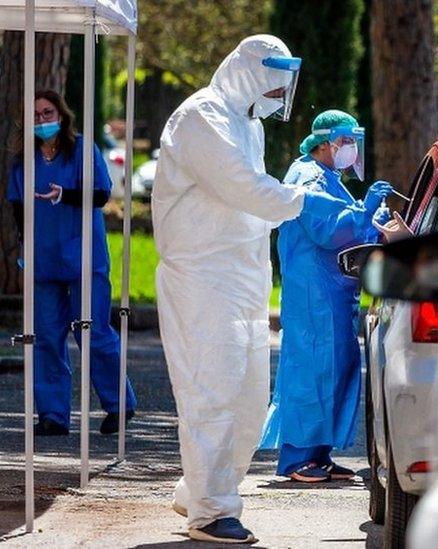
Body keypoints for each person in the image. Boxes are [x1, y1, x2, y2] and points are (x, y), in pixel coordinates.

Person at [152, 35, 349, 544]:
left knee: (246, 396)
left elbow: (247, 200)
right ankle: (211, 511)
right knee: (211, 389)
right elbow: (241, 185)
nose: (279, 96)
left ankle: (198, 489)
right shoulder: (202, 117)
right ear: (251, 73)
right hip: (202, 276)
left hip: (241, 276)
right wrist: (303, 201)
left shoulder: (247, 123)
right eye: (274, 84)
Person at [259, 110, 393, 482]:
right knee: (311, 370)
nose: (351, 149)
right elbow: (327, 229)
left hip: (333, 291)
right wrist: (365, 212)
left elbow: (348, 222)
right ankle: (297, 457)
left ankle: (319, 454)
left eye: (353, 141)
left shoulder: (330, 176)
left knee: (335, 369)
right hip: (312, 293)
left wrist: (371, 218)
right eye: (346, 141)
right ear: (325, 142)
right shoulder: (307, 177)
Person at [6, 90, 137, 437]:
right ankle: (52, 414)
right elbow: (19, 208)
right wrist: (24, 248)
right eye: (35, 115)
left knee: (91, 330)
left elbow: (100, 194)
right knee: (46, 336)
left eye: (47, 112)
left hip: (83, 255)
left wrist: (64, 195)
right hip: (44, 258)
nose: (42, 120)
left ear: (61, 116)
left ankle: (119, 404)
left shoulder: (83, 150)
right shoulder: (24, 161)